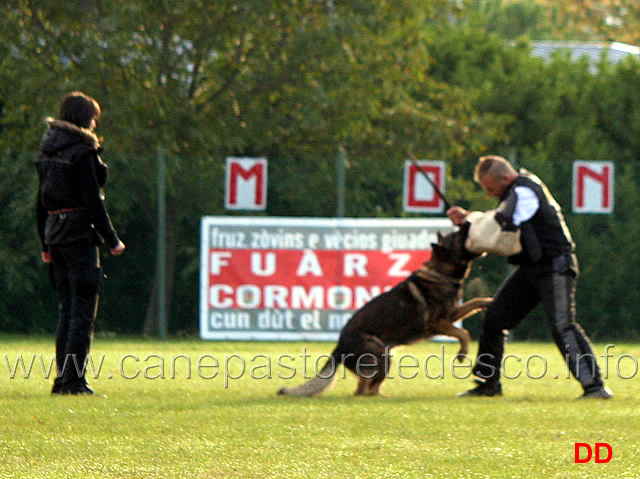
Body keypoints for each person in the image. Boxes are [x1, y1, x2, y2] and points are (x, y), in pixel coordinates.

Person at [447, 155, 612, 399]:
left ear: (505, 178)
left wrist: (473, 222)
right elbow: (499, 217)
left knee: (562, 325)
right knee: (494, 318)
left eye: (492, 189)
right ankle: (487, 384)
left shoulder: (526, 191)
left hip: (555, 266)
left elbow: (508, 220)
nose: (491, 195)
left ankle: (595, 387)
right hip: (530, 269)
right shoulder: (514, 192)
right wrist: (469, 219)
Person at [36, 92, 125, 396]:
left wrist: (45, 243)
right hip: (78, 235)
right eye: (93, 117)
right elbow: (92, 201)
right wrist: (112, 238)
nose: (95, 123)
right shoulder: (82, 152)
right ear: (84, 119)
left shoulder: (48, 151)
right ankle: (74, 382)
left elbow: (41, 202)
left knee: (66, 310)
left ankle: (62, 380)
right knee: (83, 311)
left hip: (55, 234)